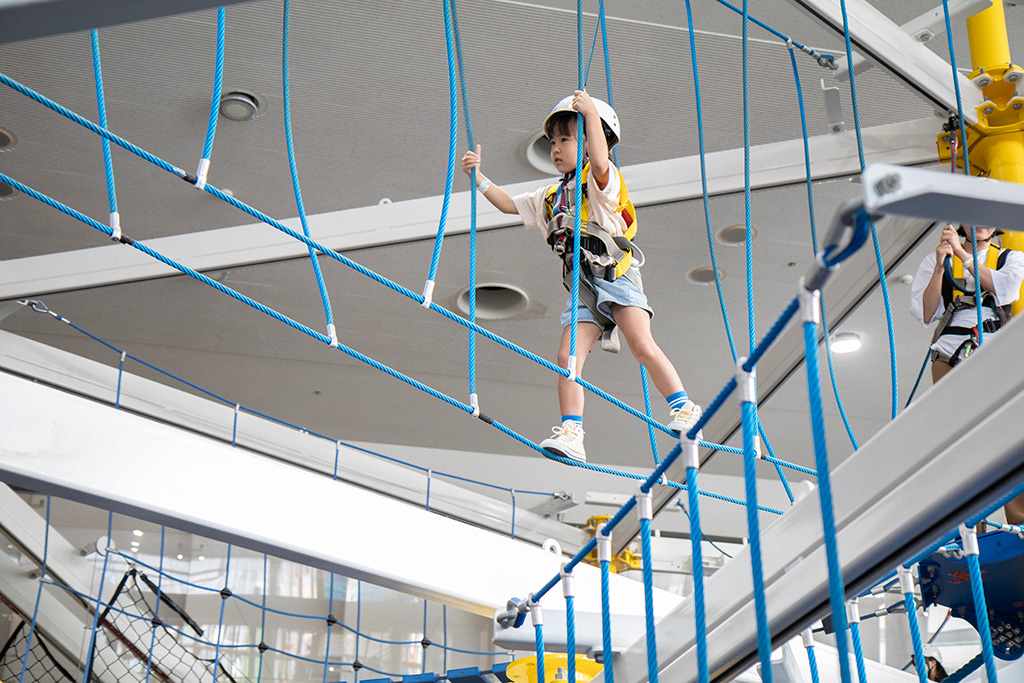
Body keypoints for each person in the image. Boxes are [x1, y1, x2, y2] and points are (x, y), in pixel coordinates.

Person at [460, 90, 700, 463]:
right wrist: (479, 178)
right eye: (552, 141)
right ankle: (573, 431)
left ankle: (684, 407)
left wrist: (590, 113)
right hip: (584, 291)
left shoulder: (602, 184)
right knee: (566, 356)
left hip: (617, 279)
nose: (555, 148)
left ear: (589, 143)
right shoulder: (550, 197)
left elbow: (601, 162)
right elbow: (510, 205)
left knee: (641, 344)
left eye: (566, 139)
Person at [910, 223, 1024, 527]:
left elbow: (1005, 290)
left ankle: (1019, 524)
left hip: (993, 352)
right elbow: (925, 313)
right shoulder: (941, 259)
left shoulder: (1010, 257)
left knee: (1005, 440)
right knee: (960, 445)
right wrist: (939, 267)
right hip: (950, 352)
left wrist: (962, 252)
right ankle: (971, 530)